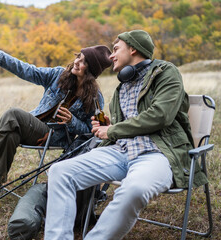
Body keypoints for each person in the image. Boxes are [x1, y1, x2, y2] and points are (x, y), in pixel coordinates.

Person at [44, 30, 208, 239]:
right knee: (60, 171)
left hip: (158, 153)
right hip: (120, 151)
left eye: (115, 49)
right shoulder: (122, 87)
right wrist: (112, 126)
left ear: (133, 49)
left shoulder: (166, 72)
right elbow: (127, 124)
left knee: (135, 189)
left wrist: (112, 129)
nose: (111, 56)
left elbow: (161, 115)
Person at [0, 40, 112, 199]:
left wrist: (71, 121)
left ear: (91, 71)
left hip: (54, 136)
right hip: (34, 125)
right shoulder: (59, 75)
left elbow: (91, 132)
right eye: (78, 57)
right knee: (11, 133)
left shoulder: (95, 98)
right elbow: (27, 70)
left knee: (14, 113)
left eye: (83, 62)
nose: (76, 62)